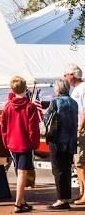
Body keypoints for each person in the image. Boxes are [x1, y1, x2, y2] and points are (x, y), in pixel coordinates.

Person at [1, 76, 40, 213]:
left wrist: (6, 142)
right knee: (22, 173)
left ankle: (22, 201)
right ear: (25, 89)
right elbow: (33, 129)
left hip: (12, 144)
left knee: (19, 172)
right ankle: (18, 204)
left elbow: (3, 127)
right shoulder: (30, 107)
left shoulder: (7, 106)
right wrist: (35, 144)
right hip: (25, 144)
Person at [44, 79, 78, 210]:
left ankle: (61, 200)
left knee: (57, 170)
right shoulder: (74, 103)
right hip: (70, 142)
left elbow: (47, 119)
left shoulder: (55, 102)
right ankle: (66, 198)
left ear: (58, 89)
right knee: (66, 170)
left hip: (57, 141)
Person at [66, 64, 85, 204]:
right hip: (76, 130)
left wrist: (79, 128)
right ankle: (81, 192)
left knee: (82, 162)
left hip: (81, 130)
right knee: (78, 163)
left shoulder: (82, 89)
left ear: (73, 75)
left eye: (66, 74)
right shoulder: (76, 89)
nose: (64, 76)